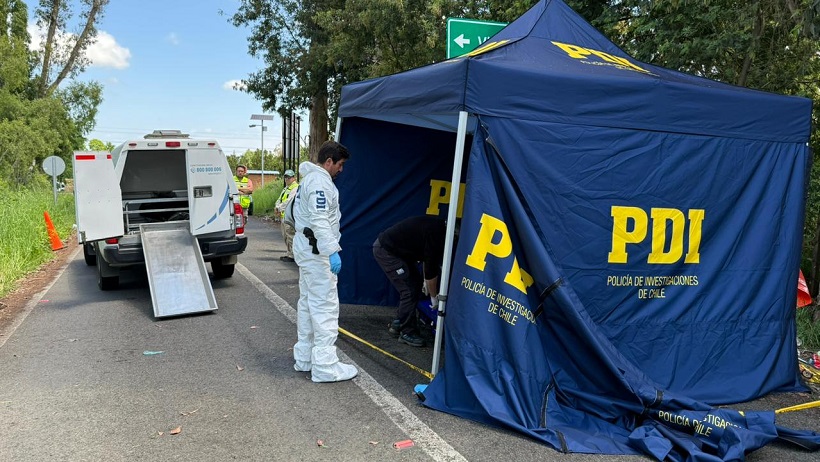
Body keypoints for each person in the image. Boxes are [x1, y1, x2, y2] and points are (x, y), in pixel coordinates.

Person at [291, 141, 357, 383]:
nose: (341, 169)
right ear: (328, 161)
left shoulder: (309, 179)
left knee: (308, 304)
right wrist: (331, 251)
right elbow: (319, 219)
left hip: (306, 248)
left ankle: (306, 358)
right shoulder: (319, 183)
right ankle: (325, 366)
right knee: (325, 307)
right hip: (316, 252)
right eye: (339, 165)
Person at [372, 215, 446, 347]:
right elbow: (430, 269)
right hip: (387, 251)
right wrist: (434, 298)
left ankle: (400, 322)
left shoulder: (437, 226)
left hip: (397, 250)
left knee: (415, 284)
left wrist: (425, 282)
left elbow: (427, 259)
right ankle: (407, 332)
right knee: (409, 290)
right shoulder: (438, 235)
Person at [275, 169, 299, 262]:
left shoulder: (295, 187)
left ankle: (293, 255)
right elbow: (280, 199)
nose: (287, 179)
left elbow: (289, 201)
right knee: (285, 235)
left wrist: (279, 208)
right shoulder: (286, 188)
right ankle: (289, 253)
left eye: (289, 177)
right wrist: (277, 206)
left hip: (290, 217)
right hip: (284, 216)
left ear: (294, 178)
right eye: (285, 177)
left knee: (290, 235)